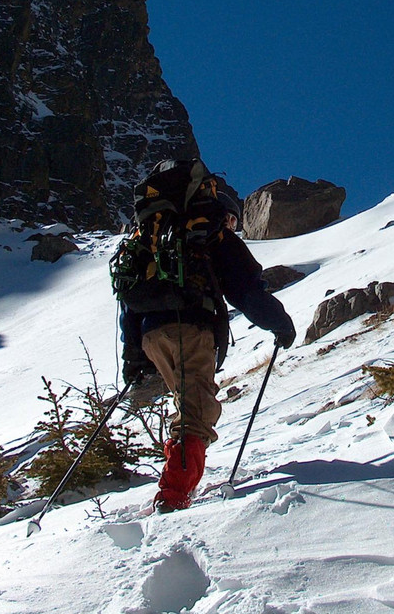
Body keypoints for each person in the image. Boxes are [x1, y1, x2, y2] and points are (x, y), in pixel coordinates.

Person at [119, 188, 297, 513]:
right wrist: (280, 323)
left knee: (187, 406)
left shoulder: (153, 239)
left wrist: (133, 358)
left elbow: (128, 302)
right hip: (191, 325)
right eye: (231, 219)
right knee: (196, 414)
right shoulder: (211, 235)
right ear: (221, 213)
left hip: (150, 334)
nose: (232, 225)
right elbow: (245, 290)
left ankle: (176, 484)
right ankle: (173, 496)